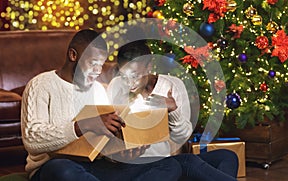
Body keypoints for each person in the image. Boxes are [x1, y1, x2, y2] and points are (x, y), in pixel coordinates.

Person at [21, 29, 182, 181]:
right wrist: (83, 125)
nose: (98, 71)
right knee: (64, 170)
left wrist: (122, 154)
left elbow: (103, 143)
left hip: (95, 167)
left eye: (101, 64)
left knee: (168, 165)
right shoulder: (41, 85)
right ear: (73, 55)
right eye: (93, 63)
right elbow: (32, 140)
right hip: (54, 167)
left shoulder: (98, 89)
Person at [107, 40, 239, 181]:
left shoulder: (172, 85)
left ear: (149, 67)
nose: (129, 83)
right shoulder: (116, 86)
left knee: (227, 156)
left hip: (167, 161)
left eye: (134, 76)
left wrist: (173, 110)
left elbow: (182, 137)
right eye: (124, 76)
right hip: (133, 164)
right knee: (188, 163)